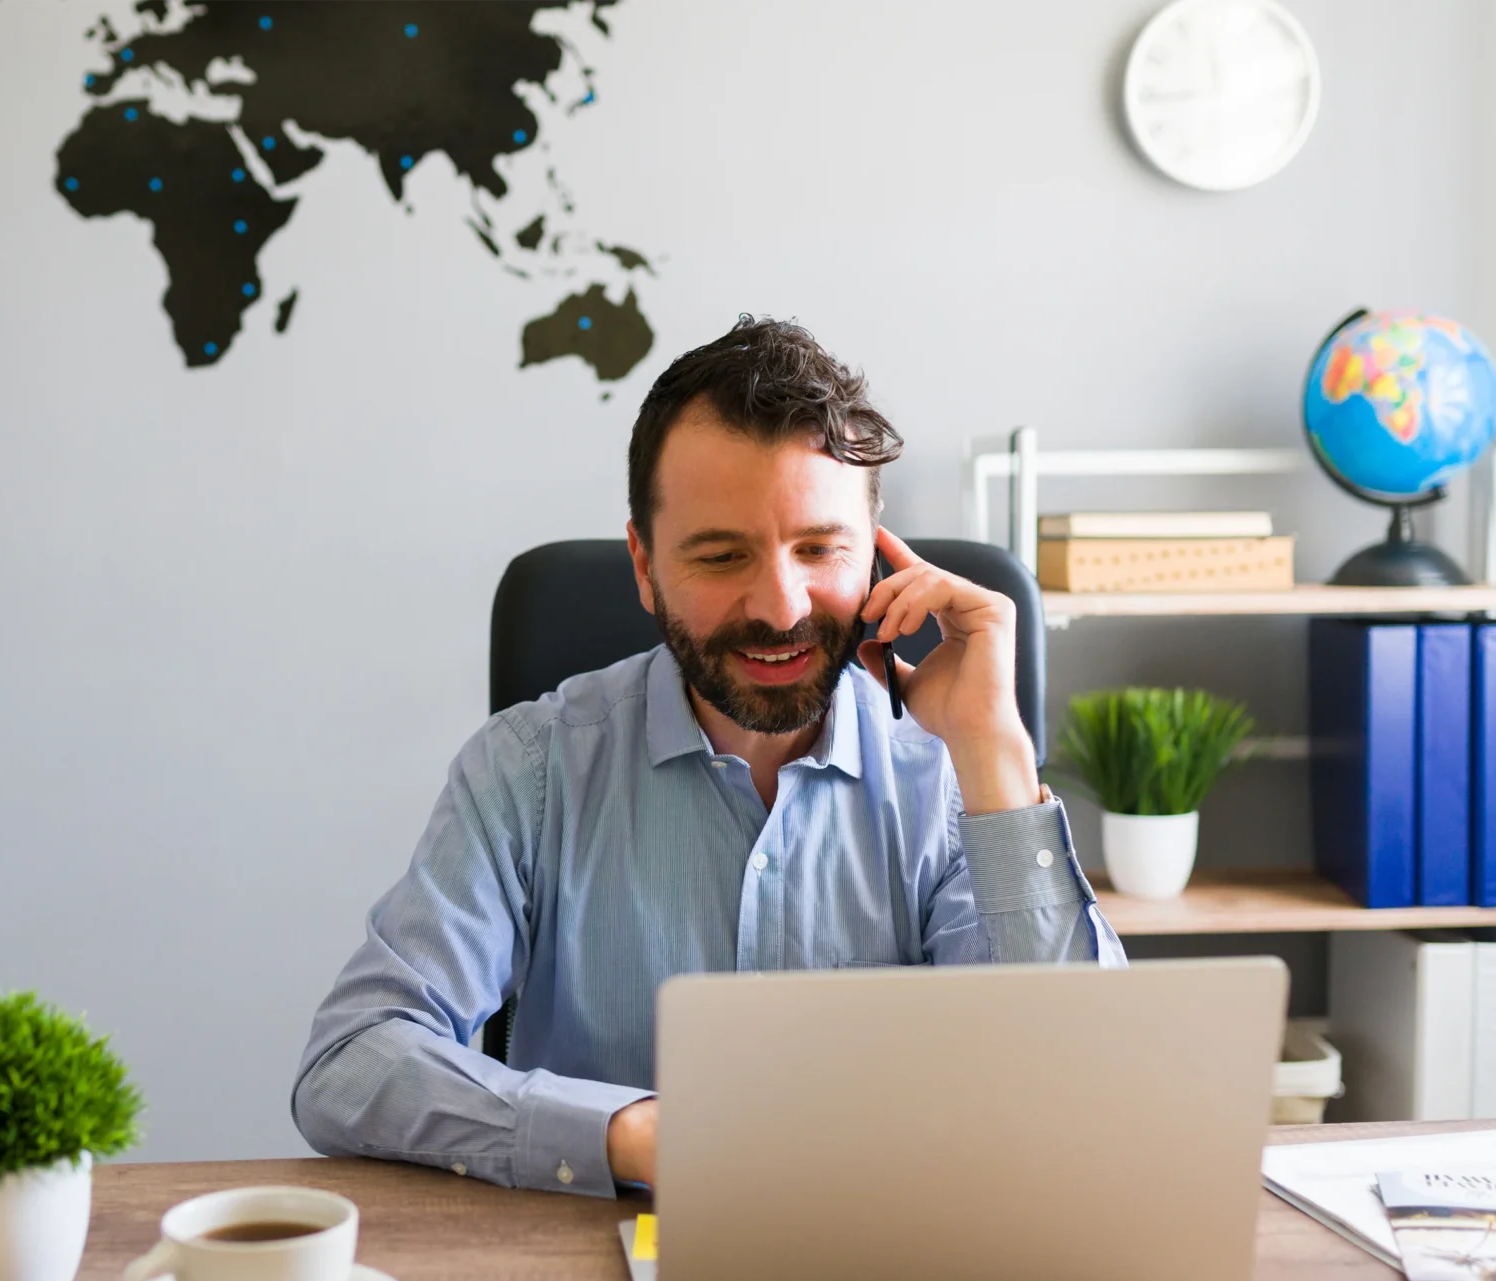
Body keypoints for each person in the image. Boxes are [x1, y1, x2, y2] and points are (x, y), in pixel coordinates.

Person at [293, 317, 1123, 1196]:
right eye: (723, 555)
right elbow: (350, 1065)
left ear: (876, 555)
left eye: (819, 549)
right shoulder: (528, 773)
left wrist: (993, 756)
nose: (780, 605)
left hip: (904, 1254)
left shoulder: (948, 774)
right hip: (599, 1264)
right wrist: (629, 1135)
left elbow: (1080, 1091)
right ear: (645, 568)